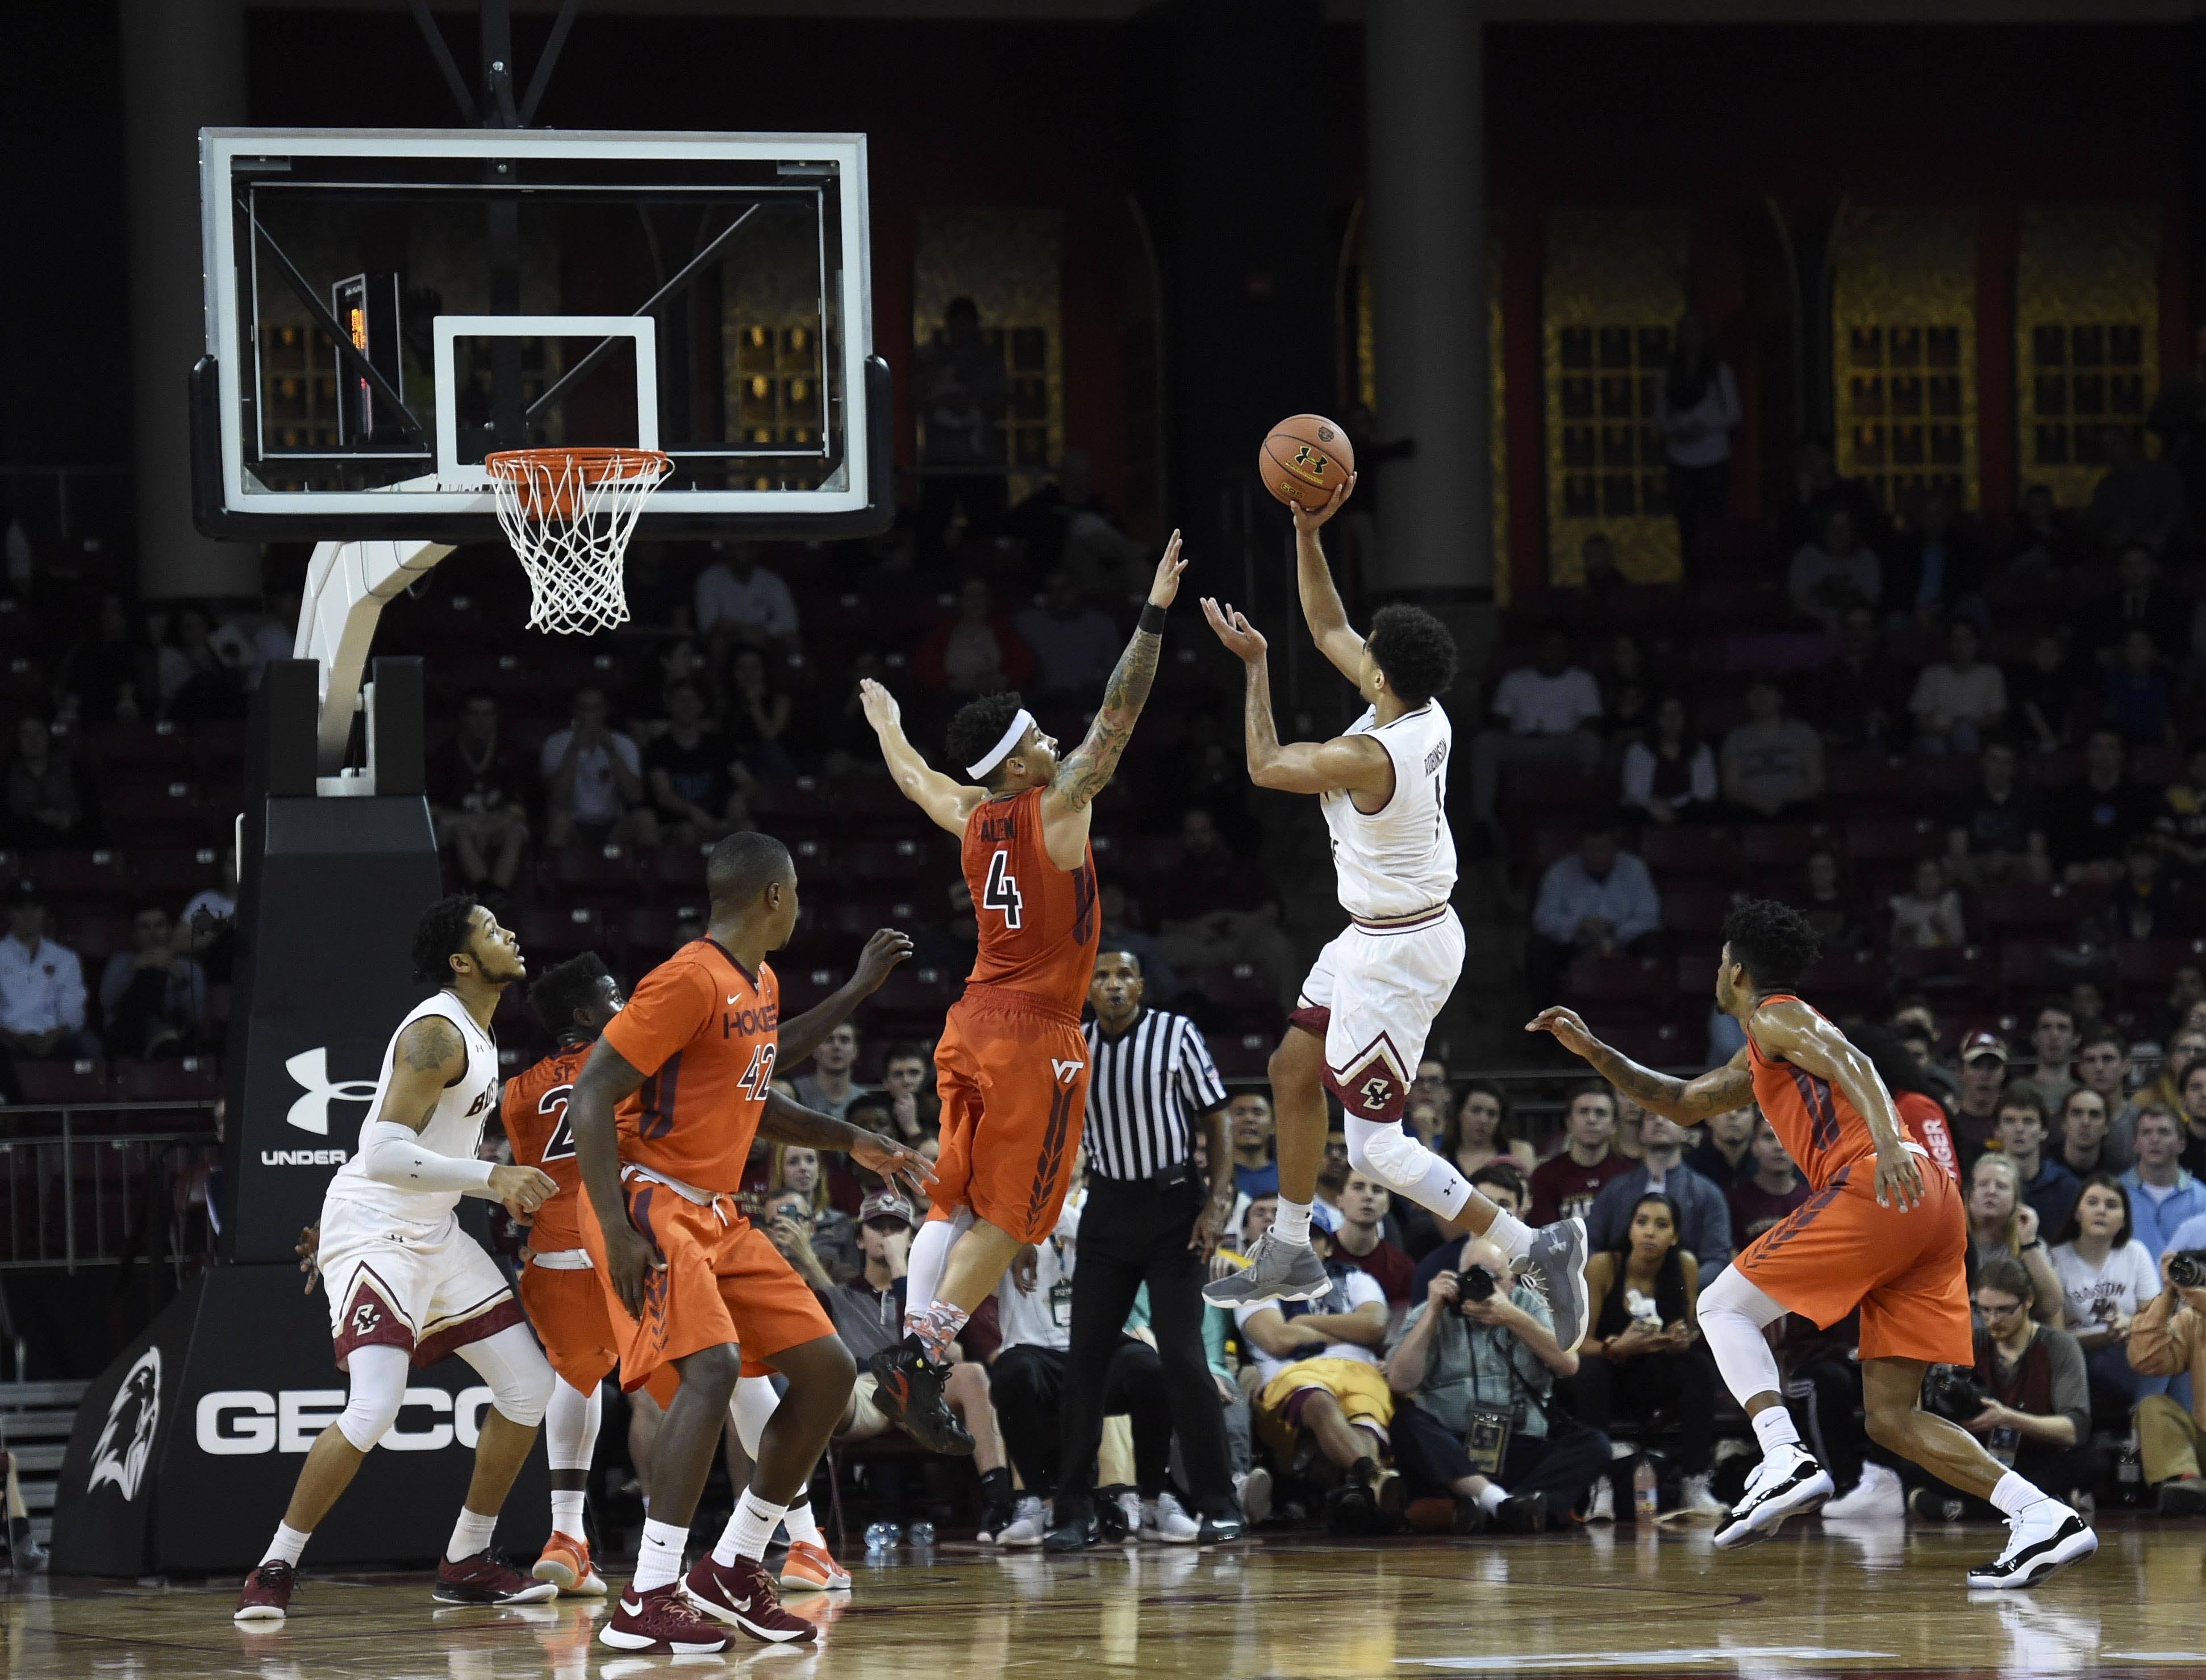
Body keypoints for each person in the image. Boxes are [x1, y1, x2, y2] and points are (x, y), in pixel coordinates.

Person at [1529, 899, 2099, 1588]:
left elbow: (1854, 1058)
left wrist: (1887, 1139)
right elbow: (1681, 1101)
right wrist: (1596, 1052)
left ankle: (1782, 1454)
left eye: (1719, 962)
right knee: (1892, 1417)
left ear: (1735, 969)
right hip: (1928, 1211)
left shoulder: (1778, 1012)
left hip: (1882, 1180)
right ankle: (2040, 1515)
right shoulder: (1765, 1046)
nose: (1716, 970)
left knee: (1719, 1306)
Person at [1197, 482, 1588, 1344]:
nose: (1351, 648)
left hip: (1398, 951)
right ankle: (1294, 1247)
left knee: (1374, 1150)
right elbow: (1327, 623)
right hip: (1375, 932)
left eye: (1364, 651)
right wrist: (1306, 533)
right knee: (1291, 1071)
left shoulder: (1371, 753)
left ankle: (1532, 1246)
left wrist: (1256, 669)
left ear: (1379, 672)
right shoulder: (1415, 704)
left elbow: (1264, 766)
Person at [857, 533, 1187, 1453]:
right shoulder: (1060, 804)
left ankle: (915, 1344)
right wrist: (1152, 612)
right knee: (1012, 1219)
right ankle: (920, 1357)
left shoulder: (972, 813)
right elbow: (1117, 715)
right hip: (1032, 1035)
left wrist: (887, 724)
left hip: (966, 1023)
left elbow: (921, 778)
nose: (1055, 739)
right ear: (1016, 766)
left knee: (946, 1202)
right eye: (1039, 737)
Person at [564, 833, 935, 1651]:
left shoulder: (757, 979)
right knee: (714, 1368)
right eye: (796, 892)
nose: (799, 906)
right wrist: (619, 1230)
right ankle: (648, 1595)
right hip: (647, 1200)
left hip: (717, 1210)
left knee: (829, 1370)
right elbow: (590, 1094)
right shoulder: (685, 979)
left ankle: (731, 1568)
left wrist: (851, 1137)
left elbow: (758, 1081)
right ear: (774, 895)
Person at [235, 898, 563, 1624]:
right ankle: (275, 1564)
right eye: (490, 929)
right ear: (462, 961)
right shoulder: (439, 1031)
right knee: (376, 1403)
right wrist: (493, 1178)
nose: (509, 932)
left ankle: (466, 1559)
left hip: (431, 1230)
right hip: (379, 1225)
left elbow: (425, 1148)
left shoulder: (476, 1029)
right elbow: (381, 1154)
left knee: (529, 1386)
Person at [1045, 946, 1241, 1548]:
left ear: (1141, 986)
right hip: (1107, 1206)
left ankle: (1217, 1500)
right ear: (1086, 989)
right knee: (1084, 1358)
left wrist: (1217, 1198)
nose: (1111, 984)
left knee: (1183, 1356)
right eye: (1101, 975)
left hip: (1173, 1206)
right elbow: (1052, 1128)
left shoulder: (1175, 1033)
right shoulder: (1072, 1044)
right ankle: (1071, 1512)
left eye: (1123, 974)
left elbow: (1218, 1116)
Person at [1385, 1232, 1607, 1534]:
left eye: (1494, 1277)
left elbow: (1569, 1364)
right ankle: (1507, 1506)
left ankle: (1490, 1508)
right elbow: (1399, 1382)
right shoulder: (1432, 1310)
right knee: (1405, 1422)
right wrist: (1433, 1311)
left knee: (1594, 1444)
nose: (1483, 1285)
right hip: (1454, 1450)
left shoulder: (1526, 1306)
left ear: (1512, 1281)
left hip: (1520, 1445)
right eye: (1475, 1276)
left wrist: (1512, 1317)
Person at [1232, 1200, 1395, 1534]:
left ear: (1329, 1247)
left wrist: (1306, 1323)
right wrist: (1343, 1329)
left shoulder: (1356, 1278)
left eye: (1311, 1238)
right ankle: (1374, 1478)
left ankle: (1360, 1495)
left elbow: (1376, 1327)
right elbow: (1277, 1339)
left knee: (1364, 1421)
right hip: (1291, 1377)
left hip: (1357, 1373)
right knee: (1319, 1401)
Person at [1906, 1257, 2100, 1525]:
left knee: (2092, 1461)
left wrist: (2008, 1418)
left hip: (2037, 1456)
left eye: (2003, 1310)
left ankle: (1963, 1510)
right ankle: (2048, 1503)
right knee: (1907, 1454)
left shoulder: (2059, 1346)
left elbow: (2075, 1429)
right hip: (1980, 1457)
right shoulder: (1971, 1342)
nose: (1992, 1320)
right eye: (1983, 1310)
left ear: (2028, 1301)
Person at [1567, 1191, 1727, 1516]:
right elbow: (1579, 1345)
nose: (1650, 1232)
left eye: (1661, 1225)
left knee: (1698, 1366)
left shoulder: (1685, 1265)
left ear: (1675, 1237)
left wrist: (1683, 1339)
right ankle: (1601, 1485)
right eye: (1642, 1222)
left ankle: (1694, 1482)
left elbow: (1691, 1329)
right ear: (1630, 1230)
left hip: (1657, 1377)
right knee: (1588, 1371)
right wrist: (1618, 1347)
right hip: (1613, 1379)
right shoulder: (1604, 1267)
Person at [2047, 1173, 2166, 1423]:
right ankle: (2144, 1423)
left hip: (2129, 1353)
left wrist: (2130, 1326)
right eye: (2092, 1203)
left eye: (2111, 1205)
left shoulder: (2135, 1253)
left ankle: (2147, 1423)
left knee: (2169, 1353)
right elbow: (2054, 1340)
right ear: (2077, 1213)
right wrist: (2106, 1335)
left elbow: (2155, 1320)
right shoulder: (2055, 1258)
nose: (2101, 1210)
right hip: (2077, 1358)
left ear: (2124, 1220)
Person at [1466, 630, 1604, 832]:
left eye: (1558, 648)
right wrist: (1521, 735)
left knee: (1589, 742)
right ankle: (1484, 825)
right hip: (1522, 743)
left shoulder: (1581, 680)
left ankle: (1595, 820)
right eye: (1548, 647)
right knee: (1485, 742)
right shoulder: (1515, 679)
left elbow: (1593, 722)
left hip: (1563, 745)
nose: (1553, 653)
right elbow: (1498, 721)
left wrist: (1559, 735)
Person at [1527, 820, 1663, 1007]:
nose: (1597, 856)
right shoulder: (1558, 873)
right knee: (1539, 950)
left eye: (1604, 848)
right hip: (1574, 946)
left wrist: (1615, 931)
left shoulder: (1634, 869)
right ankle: (1546, 1026)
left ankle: (1652, 1017)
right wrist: (1579, 926)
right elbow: (1542, 919)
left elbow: (1649, 916)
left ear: (1616, 847)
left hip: (1623, 943)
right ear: (1580, 848)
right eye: (1591, 849)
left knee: (1654, 944)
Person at [1584, 1114, 1733, 1277]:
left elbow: (1717, 1260)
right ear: (1640, 1133)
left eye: (1669, 1116)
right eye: (1650, 1117)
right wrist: (1613, 1282)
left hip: (1686, 1297)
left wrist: (1681, 1287)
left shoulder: (1708, 1193)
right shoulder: (1615, 1190)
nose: (1659, 1121)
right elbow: (1587, 1246)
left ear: (1685, 1132)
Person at [1653, 309, 1740, 562]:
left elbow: (1734, 414)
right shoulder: (1668, 374)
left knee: (1715, 522)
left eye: (1696, 330)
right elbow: (1659, 418)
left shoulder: (1719, 371)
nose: (1690, 336)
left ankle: (1717, 576)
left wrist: (1705, 426)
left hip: (1713, 457)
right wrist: (1677, 430)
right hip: (1680, 458)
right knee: (1686, 524)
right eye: (1685, 330)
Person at [2126, 1249, 2206, 1518]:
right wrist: (2169, 1295)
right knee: (2153, 1407)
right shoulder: (2194, 1319)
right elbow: (2147, 1360)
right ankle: (2186, 1483)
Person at [540, 687, 658, 851]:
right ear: (575, 710)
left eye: (595, 708)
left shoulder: (624, 743)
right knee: (559, 821)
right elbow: (557, 797)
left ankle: (650, 875)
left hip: (613, 824)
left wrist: (612, 752)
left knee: (646, 820)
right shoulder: (555, 743)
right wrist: (574, 749)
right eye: (584, 708)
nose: (590, 715)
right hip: (573, 824)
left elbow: (635, 797)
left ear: (605, 710)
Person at [643, 679, 748, 843]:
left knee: (749, 830)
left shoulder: (717, 744)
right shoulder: (658, 748)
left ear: (701, 705)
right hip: (677, 824)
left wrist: (740, 796)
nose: (686, 705)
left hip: (719, 822)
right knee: (688, 832)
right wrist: (692, 811)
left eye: (692, 699)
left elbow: (748, 782)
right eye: (680, 699)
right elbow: (663, 795)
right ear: (669, 705)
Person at [97, 902, 207, 1057]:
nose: (153, 933)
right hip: (126, 1035)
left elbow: (197, 1017)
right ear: (134, 935)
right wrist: (133, 969)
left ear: (169, 929)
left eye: (159, 925)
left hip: (175, 1035)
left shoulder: (189, 967)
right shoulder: (121, 962)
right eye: (145, 927)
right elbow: (107, 1002)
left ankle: (160, 1036)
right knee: (149, 974)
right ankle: (157, 1034)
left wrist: (181, 980)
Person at [0, 881, 94, 1061]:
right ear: (7, 913)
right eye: (20, 908)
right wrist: (14, 1037)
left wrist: (57, 1033)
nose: (29, 915)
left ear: (44, 912)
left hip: (54, 1038)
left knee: (89, 1046)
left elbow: (73, 1007)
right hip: (7, 1039)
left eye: (35, 907)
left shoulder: (66, 958)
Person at [1968, 1152, 2064, 1324]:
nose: (1991, 1191)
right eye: (1983, 1184)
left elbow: (2052, 1306)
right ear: (1970, 1196)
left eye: (2002, 1186)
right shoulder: (1951, 1240)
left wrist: (2028, 1243)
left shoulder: (2030, 1244)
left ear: (2016, 1200)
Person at [1943, 737, 2050, 890]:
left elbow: (2037, 850)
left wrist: (2006, 860)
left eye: (2007, 762)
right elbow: (1958, 851)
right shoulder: (1964, 799)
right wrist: (1987, 860)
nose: (1999, 768)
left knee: (2040, 865)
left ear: (2014, 767)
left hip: (2016, 865)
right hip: (1977, 864)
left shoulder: (2029, 800)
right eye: (1994, 760)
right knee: (1950, 865)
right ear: (1983, 763)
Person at [1527, 1082, 1634, 1226]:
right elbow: (1544, 1234)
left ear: (1614, 1125)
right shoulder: (1545, 1175)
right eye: (1583, 1112)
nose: (1592, 1120)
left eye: (1601, 1113)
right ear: (1569, 1123)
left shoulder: (1630, 1175)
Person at [1720, 678, 1825, 820]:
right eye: (1754, 693)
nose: (1760, 697)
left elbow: (1815, 782)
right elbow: (1732, 786)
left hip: (1795, 806)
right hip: (1750, 808)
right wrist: (1759, 802)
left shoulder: (1803, 733)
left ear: (1780, 698)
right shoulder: (1736, 738)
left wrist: (1782, 799)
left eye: (1767, 691)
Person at [1015, 568, 1122, 699]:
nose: (1058, 596)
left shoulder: (1101, 624)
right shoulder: (1028, 623)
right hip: (1045, 701)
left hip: (1090, 700)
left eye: (1064, 588)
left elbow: (1114, 671)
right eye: (1051, 590)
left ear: (1076, 589)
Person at [1994, 1086, 2082, 1237]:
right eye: (2010, 1121)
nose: (2019, 1129)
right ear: (1997, 1131)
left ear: (2044, 1131)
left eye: (2028, 1121)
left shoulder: (2068, 1187)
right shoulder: (1983, 1185)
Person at [1909, 622, 2007, 757]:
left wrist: (1966, 726)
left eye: (1967, 639)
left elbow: (1996, 717)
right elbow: (1921, 721)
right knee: (1937, 747)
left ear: (1978, 643)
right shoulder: (1932, 674)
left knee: (1964, 731)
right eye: (1956, 640)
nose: (1961, 645)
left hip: (1977, 735)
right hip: (1937, 737)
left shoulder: (1991, 674)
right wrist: (1950, 730)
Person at [1621, 694, 1719, 827]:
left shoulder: (1702, 751)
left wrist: (1673, 807)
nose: (1671, 720)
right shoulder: (1638, 751)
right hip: (1649, 810)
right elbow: (1633, 792)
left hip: (1690, 811)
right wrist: (1655, 807)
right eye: (1664, 714)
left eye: (1676, 713)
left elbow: (1708, 792)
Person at [2122, 1107, 2206, 1257]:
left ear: (2181, 1144)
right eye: (2146, 1132)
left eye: (2164, 1132)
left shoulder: (2201, 1197)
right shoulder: (2117, 1193)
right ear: (2135, 1144)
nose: (2155, 1140)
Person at [693, 542, 799, 654]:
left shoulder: (772, 581)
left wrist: (764, 631)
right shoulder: (709, 578)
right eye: (730, 548)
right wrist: (741, 631)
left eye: (741, 547)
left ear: (754, 550)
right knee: (716, 642)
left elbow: (790, 621)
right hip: (729, 640)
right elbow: (707, 624)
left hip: (764, 640)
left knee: (792, 641)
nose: (734, 553)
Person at [1787, 506, 1882, 630]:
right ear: (1824, 530)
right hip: (1814, 627)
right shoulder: (1807, 557)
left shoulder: (1866, 558)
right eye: (1833, 527)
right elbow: (1798, 601)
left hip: (1856, 627)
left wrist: (1846, 623)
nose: (1838, 533)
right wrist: (1826, 622)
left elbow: (1872, 599)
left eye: (1844, 527)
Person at [1728, 1114, 1812, 1250]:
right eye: (1769, 1137)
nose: (1779, 1147)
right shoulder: (1735, 1202)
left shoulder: (1815, 1200)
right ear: (1754, 1146)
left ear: (1799, 1145)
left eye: (1785, 1137)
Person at [6, 717, 91, 848]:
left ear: (48, 737)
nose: (32, 740)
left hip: (70, 843)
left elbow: (91, 815)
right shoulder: (7, 775)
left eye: (38, 733)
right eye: (25, 734)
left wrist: (67, 822)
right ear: (17, 740)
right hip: (24, 845)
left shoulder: (74, 770)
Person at [1332, 1172, 1415, 1304]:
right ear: (1339, 1199)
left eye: (1377, 1190)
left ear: (1388, 1204)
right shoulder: (1318, 1254)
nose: (1368, 1196)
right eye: (1358, 1187)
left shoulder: (1403, 1268)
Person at [2071, 1029, 2140, 1170]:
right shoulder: (2067, 1120)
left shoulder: (2140, 1121)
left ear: (2126, 1065)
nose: (2099, 1068)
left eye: (2108, 1059)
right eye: (2091, 1060)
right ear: (2081, 1070)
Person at [1445, 1080, 1538, 1181]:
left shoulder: (1519, 1152)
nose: (1483, 1120)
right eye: (1476, 1110)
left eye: (1492, 1114)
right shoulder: (1443, 1157)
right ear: (1459, 1113)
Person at [789, 1020, 867, 1124]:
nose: (837, 1047)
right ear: (815, 1050)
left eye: (844, 1040)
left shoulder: (864, 1098)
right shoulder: (794, 1090)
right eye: (829, 1040)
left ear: (856, 1051)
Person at [1887, 858, 1966, 950]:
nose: (1928, 881)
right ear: (1915, 879)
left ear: (1942, 880)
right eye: (1923, 876)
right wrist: (1904, 935)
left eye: (1933, 876)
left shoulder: (1949, 901)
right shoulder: (1904, 904)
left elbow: (1960, 943)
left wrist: (1942, 929)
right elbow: (1892, 943)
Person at [1686, 1103, 1760, 1191]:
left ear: (1755, 1118)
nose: (1733, 1115)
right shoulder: (1688, 1169)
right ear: (1709, 1117)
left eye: (1742, 1109)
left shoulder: (1765, 1166)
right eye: (1723, 1109)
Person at [1228, 1091, 1279, 1199]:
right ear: (1225, 1124)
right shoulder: (1213, 1179)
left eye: (1258, 1113)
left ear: (1274, 1126)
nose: (1249, 1119)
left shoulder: (1289, 1180)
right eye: (1239, 1113)